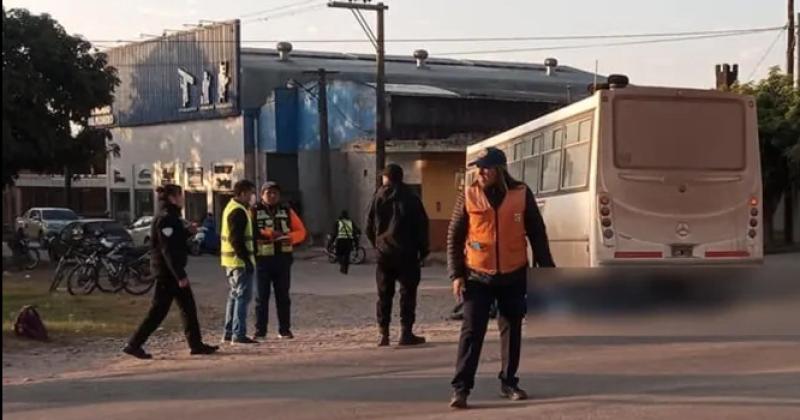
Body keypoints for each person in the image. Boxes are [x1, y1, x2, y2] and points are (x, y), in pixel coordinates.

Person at [447, 147, 556, 409]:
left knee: (512, 330)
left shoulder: (521, 193)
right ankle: (461, 389)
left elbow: (537, 233)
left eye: (486, 167)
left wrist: (546, 269)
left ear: (499, 169)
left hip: (513, 274)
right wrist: (456, 274)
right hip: (477, 275)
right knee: (472, 332)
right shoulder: (469, 195)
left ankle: (509, 382)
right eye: (478, 167)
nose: (480, 172)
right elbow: (454, 236)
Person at [124, 184, 218, 359]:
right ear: (172, 198)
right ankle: (134, 344)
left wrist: (186, 232)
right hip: (168, 273)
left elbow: (175, 240)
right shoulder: (166, 218)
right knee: (158, 311)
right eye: (180, 196)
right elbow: (168, 250)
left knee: (188, 307)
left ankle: (196, 345)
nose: (182, 199)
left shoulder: (172, 217)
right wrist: (180, 275)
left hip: (171, 272)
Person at [366, 164, 430, 347]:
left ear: (387, 178)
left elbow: (368, 225)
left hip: (384, 254)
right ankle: (406, 333)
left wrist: (377, 245)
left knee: (384, 294)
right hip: (408, 254)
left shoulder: (377, 197)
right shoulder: (412, 197)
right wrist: (423, 250)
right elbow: (422, 225)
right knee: (407, 294)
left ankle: (383, 333)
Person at [252, 181, 307, 340]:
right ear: (262, 194)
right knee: (261, 297)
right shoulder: (254, 210)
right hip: (262, 259)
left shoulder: (286, 210)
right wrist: (269, 234)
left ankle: (284, 329)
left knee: (283, 296)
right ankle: (260, 331)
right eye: (268, 192)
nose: (272, 195)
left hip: (283, 259)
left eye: (275, 192)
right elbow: (250, 231)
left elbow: (302, 232)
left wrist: (288, 237)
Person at [220, 180, 259, 344]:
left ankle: (229, 332)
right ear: (242, 193)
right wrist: (247, 260)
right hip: (239, 263)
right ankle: (238, 333)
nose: (251, 197)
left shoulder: (231, 207)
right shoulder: (238, 211)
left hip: (231, 262)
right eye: (250, 193)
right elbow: (237, 240)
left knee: (234, 296)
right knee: (243, 297)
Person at [328, 210, 361, 274]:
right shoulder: (351, 222)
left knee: (338, 254)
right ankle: (344, 269)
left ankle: (342, 265)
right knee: (346, 256)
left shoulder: (338, 222)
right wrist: (356, 244)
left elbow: (334, 234)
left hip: (341, 241)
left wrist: (330, 243)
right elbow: (355, 232)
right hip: (349, 241)